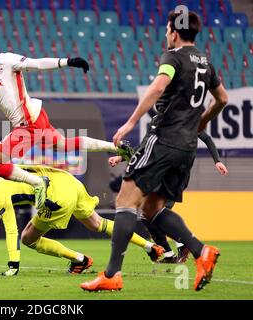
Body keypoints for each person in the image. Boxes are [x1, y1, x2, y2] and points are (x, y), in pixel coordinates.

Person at [81, 11, 229, 292]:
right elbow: (222, 98)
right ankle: (201, 252)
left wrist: (131, 122)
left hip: (163, 139)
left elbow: (159, 86)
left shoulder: (172, 57)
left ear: (173, 31)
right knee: (151, 208)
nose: (166, 34)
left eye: (167, 29)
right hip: (187, 147)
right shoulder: (206, 63)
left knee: (125, 200)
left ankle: (112, 274)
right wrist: (202, 122)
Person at [0, 32, 133, 210]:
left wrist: (66, 62)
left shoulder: (6, 60)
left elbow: (36, 64)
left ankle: (37, 183)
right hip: (32, 120)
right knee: (64, 144)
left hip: (29, 123)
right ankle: (118, 147)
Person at [0, 165, 165, 276]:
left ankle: (80, 260)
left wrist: (13, 265)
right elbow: (22, 185)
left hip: (56, 196)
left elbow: (12, 231)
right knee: (97, 224)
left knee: (29, 237)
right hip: (68, 181)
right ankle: (150, 247)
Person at [109, 131, 229, 263]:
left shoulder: (184, 120)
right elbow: (144, 147)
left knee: (156, 213)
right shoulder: (159, 121)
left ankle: (184, 245)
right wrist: (120, 158)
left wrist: (217, 161)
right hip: (160, 174)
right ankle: (170, 253)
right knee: (147, 216)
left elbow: (206, 138)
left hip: (175, 175)